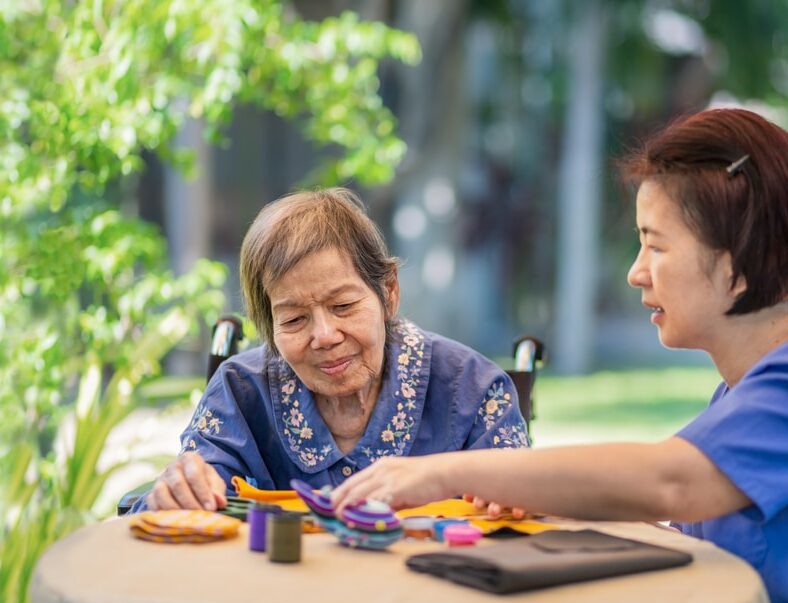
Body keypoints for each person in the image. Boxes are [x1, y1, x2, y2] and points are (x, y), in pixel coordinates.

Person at [333, 109, 788, 603]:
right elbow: (690, 533)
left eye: (655, 246)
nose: (636, 273)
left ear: (738, 255)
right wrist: (544, 498)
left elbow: (672, 482)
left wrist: (440, 472)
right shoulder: (745, 395)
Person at [133, 188, 529, 513]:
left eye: (343, 307)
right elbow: (181, 503)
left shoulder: (473, 389)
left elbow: (523, 506)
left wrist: (510, 497)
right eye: (293, 320)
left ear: (388, 292)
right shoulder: (240, 392)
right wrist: (177, 490)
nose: (324, 335)